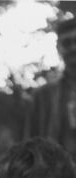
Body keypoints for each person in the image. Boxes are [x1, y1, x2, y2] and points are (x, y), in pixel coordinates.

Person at [23, 16, 76, 159]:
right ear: (59, 48)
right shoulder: (42, 96)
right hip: (59, 176)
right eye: (67, 43)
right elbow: (31, 146)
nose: (73, 48)